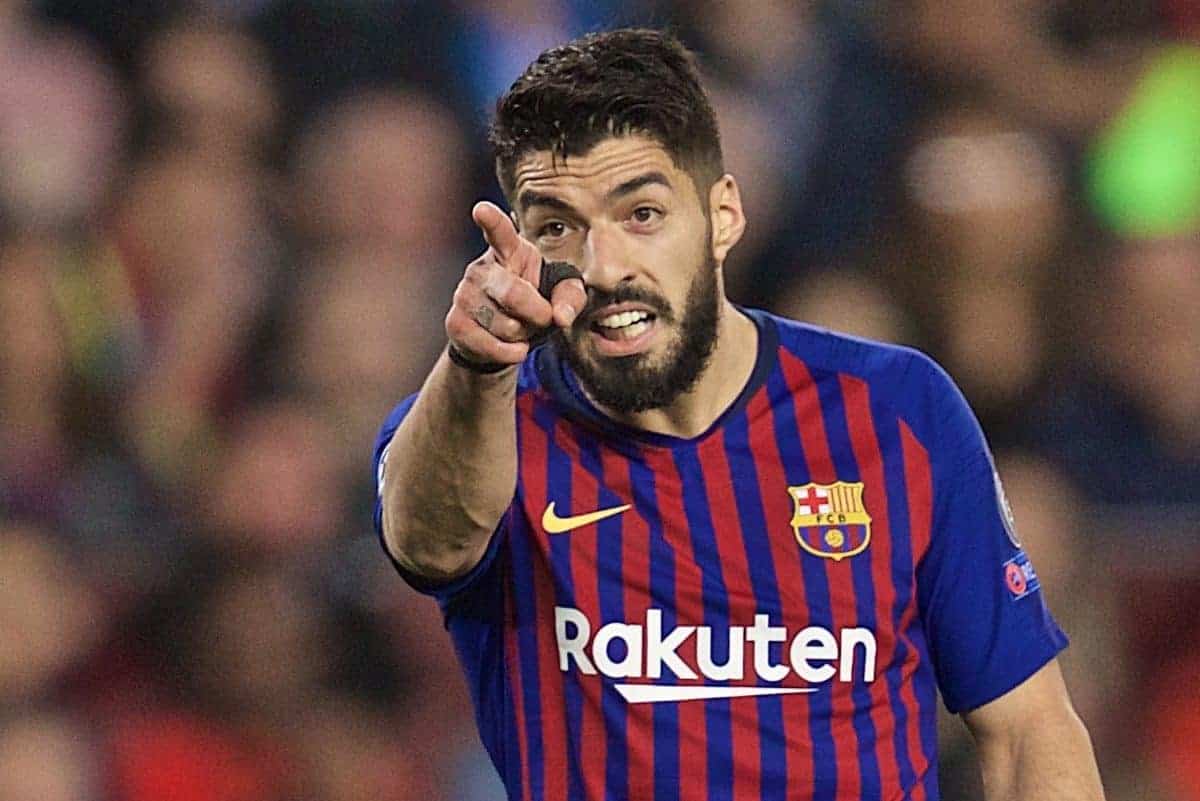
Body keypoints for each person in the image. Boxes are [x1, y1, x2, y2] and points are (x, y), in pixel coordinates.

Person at [371, 28, 1105, 801]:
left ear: (723, 215)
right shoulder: (480, 423)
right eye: (556, 226)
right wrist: (476, 364)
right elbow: (429, 544)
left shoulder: (897, 412)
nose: (604, 266)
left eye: (643, 213)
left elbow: (1028, 733)